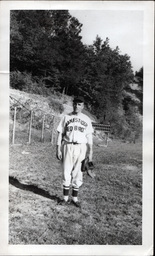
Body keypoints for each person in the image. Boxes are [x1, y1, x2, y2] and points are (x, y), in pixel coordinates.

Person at [56, 96, 93, 207]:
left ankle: (75, 199)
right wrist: (58, 148)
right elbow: (60, 134)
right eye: (75, 104)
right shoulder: (66, 117)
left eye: (79, 104)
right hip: (68, 145)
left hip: (81, 147)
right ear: (73, 105)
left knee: (78, 172)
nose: (77, 106)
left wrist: (90, 152)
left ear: (83, 106)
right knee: (66, 171)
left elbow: (89, 137)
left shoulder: (86, 119)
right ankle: (65, 198)